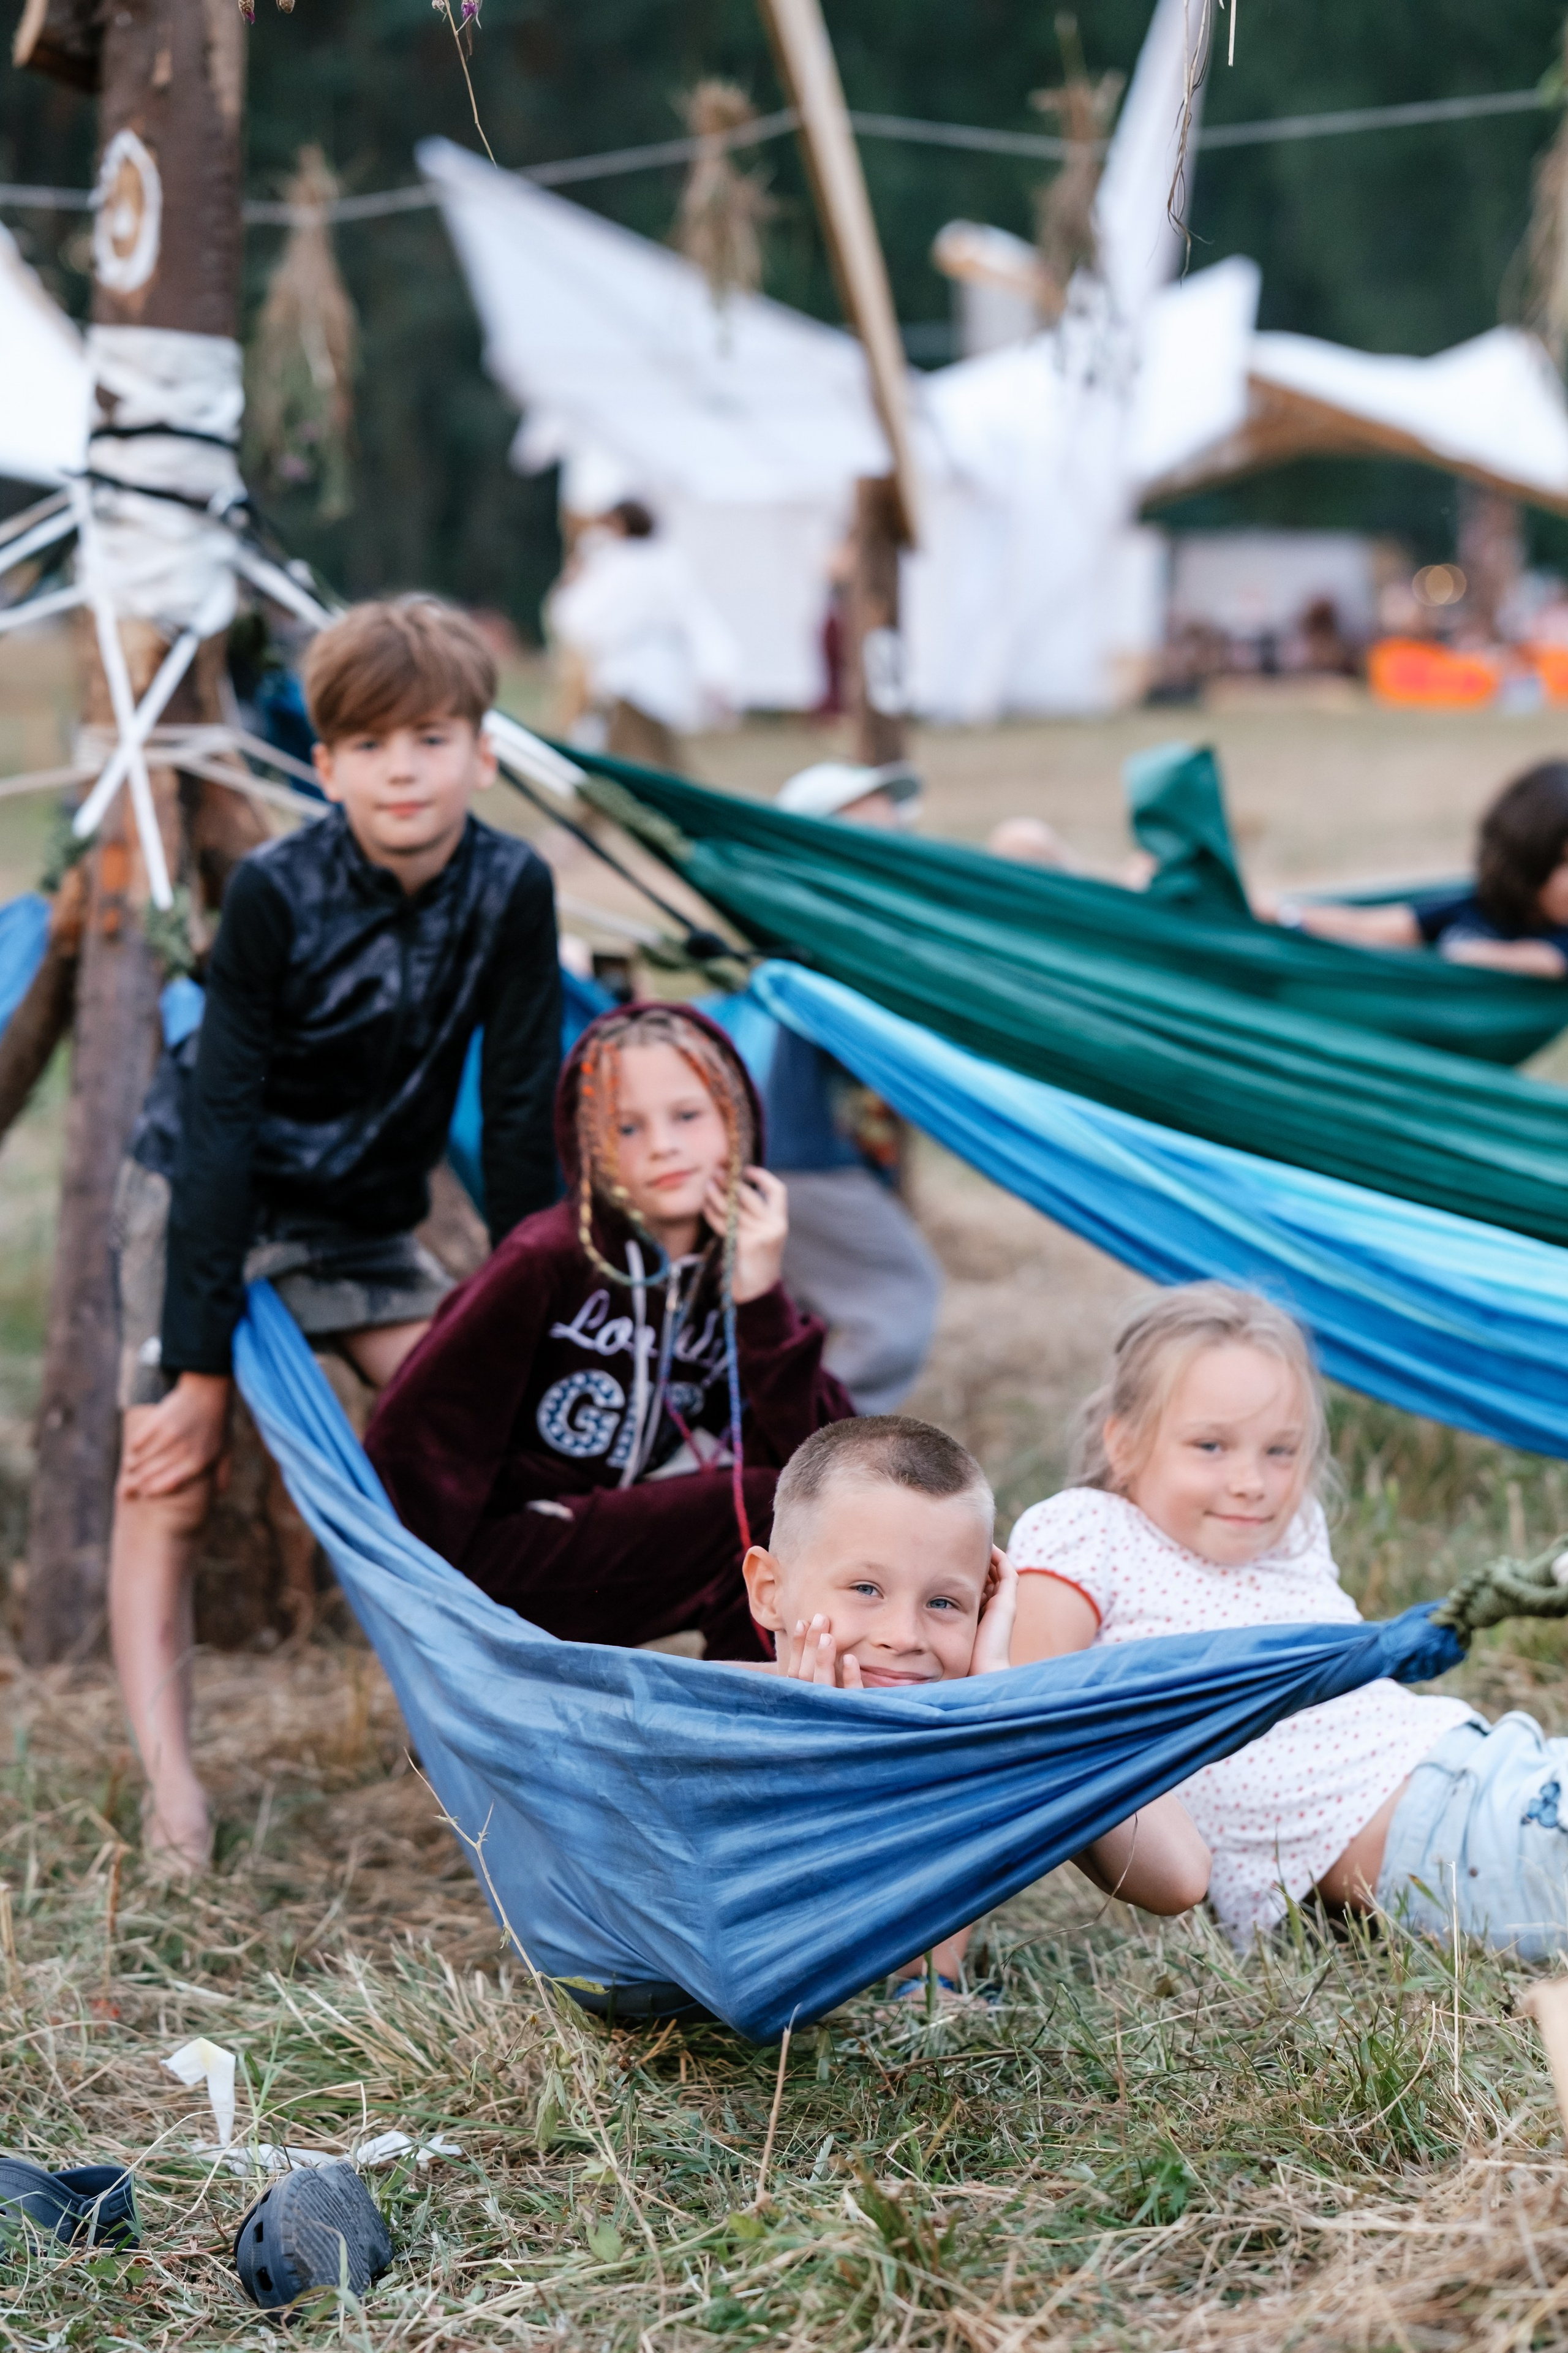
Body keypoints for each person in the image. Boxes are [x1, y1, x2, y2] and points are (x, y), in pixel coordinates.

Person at [111, 597, 563, 1873]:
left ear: (482, 749)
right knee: (169, 1471)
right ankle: (172, 1791)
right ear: (324, 767)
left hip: (360, 1215)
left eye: (429, 736)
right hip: (206, 1192)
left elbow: (522, 1119)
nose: (401, 768)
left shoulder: (512, 888)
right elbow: (219, 1127)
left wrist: (532, 1315)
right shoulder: (272, 893)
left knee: (466, 1430)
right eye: (367, 744)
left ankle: (483, 1734)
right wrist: (196, 1372)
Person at [1007, 1282, 1568, 1956]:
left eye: (1280, 1450)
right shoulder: (1088, 1530)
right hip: (1446, 1840)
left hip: (1487, 1764)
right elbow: (1023, 1716)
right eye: (1211, 1446)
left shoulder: (1292, 1531)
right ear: (1124, 1445)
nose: (1252, 1481)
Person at [364, 1004, 853, 1661]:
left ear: (735, 1117)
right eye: (627, 1126)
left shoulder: (732, 1266)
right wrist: (433, 1629)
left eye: (687, 1116)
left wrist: (760, 1297)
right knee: (762, 1513)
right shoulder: (546, 1260)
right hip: (496, 1558)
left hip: (605, 1540)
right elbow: (417, 1436)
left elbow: (812, 1463)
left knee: (792, 1516)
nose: (661, 1145)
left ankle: (746, 1732)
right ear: (589, 1144)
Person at [737, 1414, 1211, 1985]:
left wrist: (1006, 1699)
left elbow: (1179, 1879)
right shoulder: (710, 1709)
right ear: (770, 1592)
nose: (905, 1634)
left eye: (944, 1602)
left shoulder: (978, 1735)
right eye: (866, 1589)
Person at [750, 760, 943, 1413]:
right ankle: (822, 1460)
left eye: (892, 833)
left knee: (804, 1325)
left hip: (827, 1159)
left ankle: (774, 1464)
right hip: (807, 1160)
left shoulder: (881, 936)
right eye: (859, 834)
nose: (884, 849)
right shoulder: (815, 932)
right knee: (896, 1304)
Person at [1283, 762, 1568, 975]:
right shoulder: (1472, 909)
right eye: (1565, 863)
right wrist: (1284, 912)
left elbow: (1549, 961)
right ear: (1529, 859)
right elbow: (1366, 925)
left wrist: (1480, 957)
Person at [548, 499, 741, 770]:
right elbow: (699, 620)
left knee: (633, 756)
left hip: (628, 676)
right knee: (646, 751)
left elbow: (577, 618)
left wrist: (573, 582)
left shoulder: (619, 564)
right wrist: (717, 672)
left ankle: (612, 808)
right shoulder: (669, 562)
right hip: (661, 676)